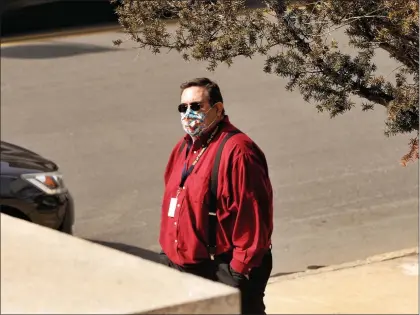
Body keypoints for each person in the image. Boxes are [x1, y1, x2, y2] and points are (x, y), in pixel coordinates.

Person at [159, 77, 274, 314]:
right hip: (184, 270)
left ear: (218, 109)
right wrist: (168, 254)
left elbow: (252, 221)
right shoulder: (183, 148)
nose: (188, 113)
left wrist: (236, 274)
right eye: (183, 107)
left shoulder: (238, 152)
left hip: (221, 271)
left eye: (196, 106)